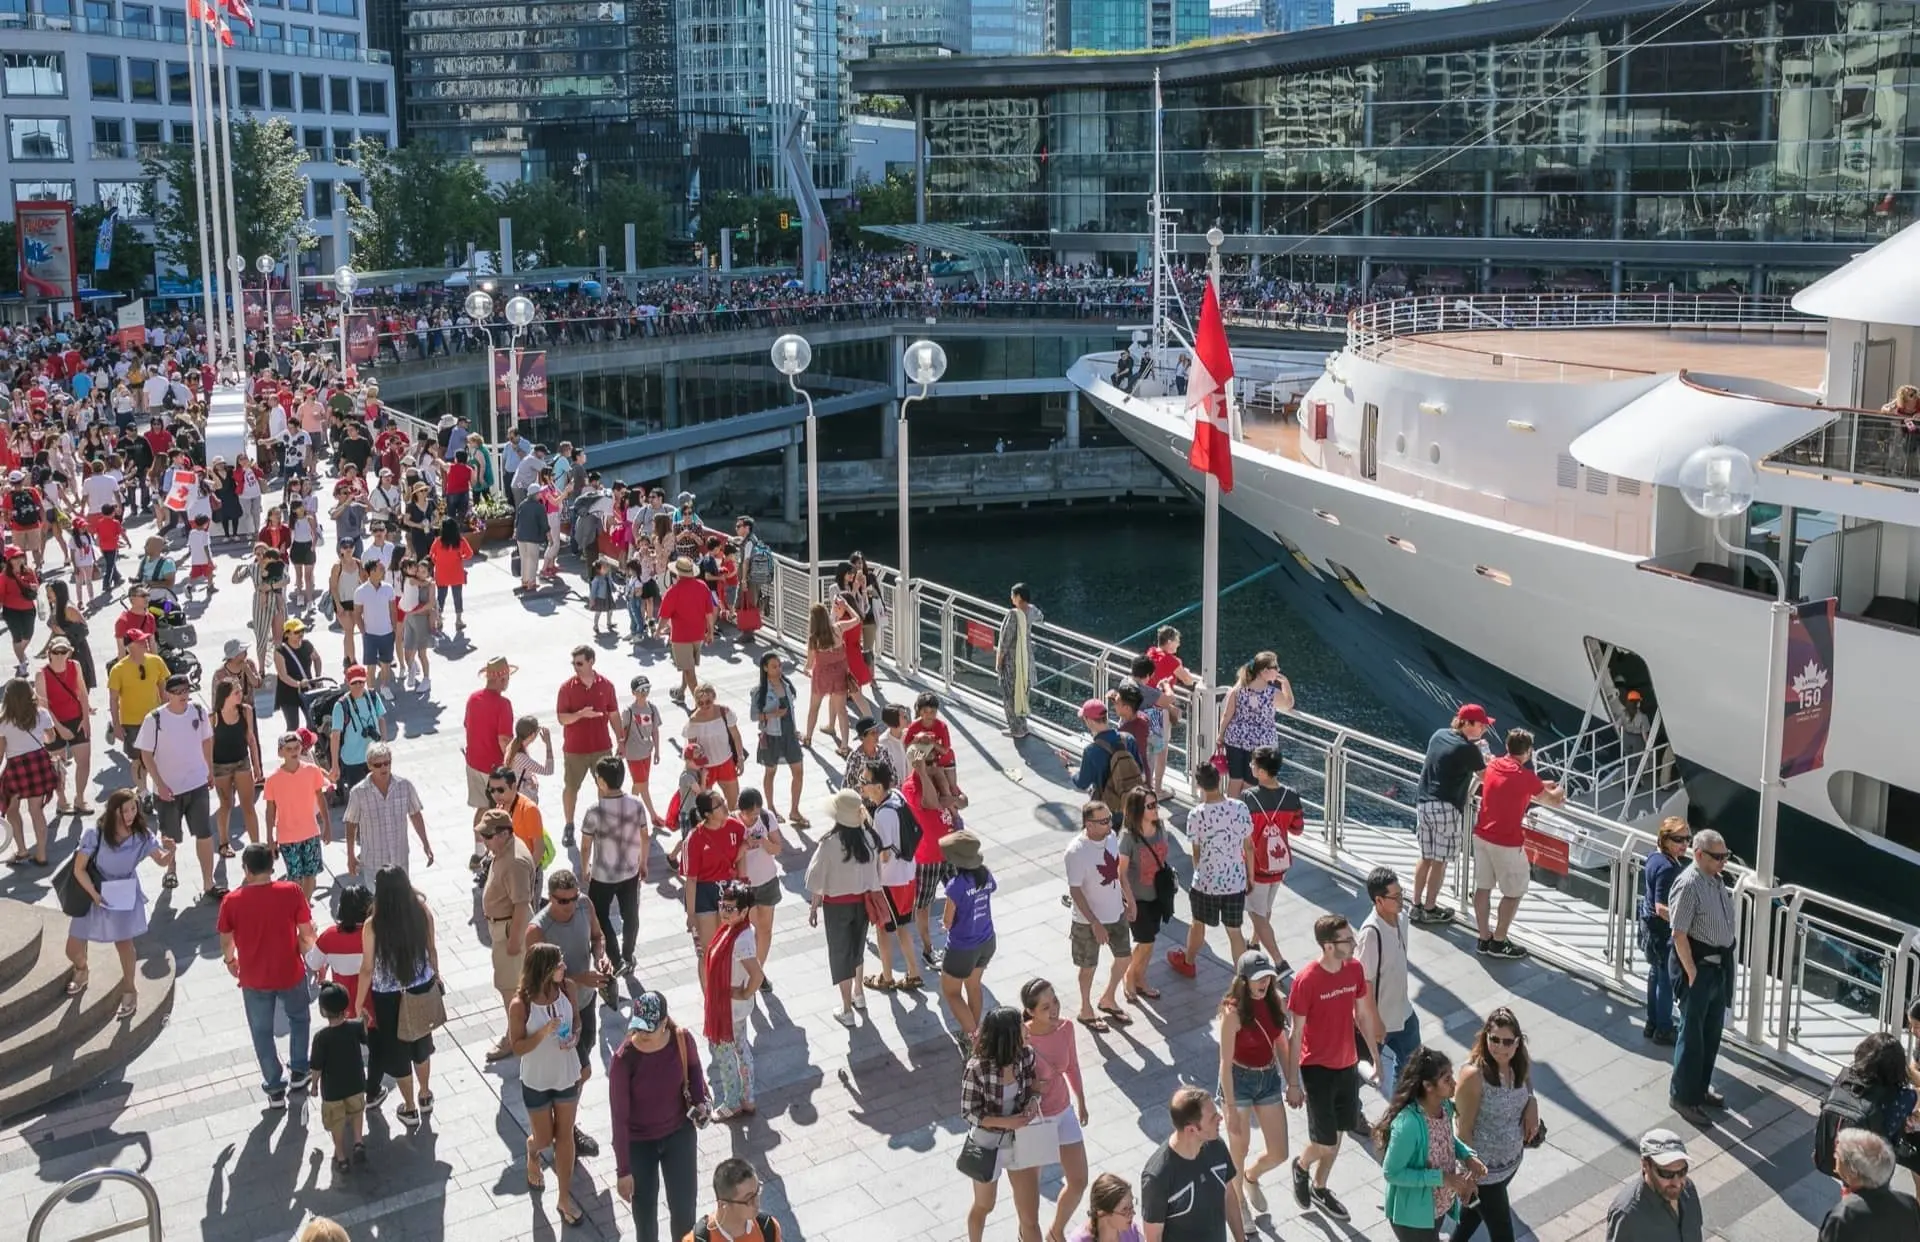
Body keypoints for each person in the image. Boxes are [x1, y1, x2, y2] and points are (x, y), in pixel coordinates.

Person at [1287, 914, 1378, 1222]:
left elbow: (1362, 1015)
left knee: (1339, 1131)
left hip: (1348, 1064)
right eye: (1346, 940)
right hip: (1317, 1069)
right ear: (1328, 946)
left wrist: (1375, 1057)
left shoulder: (1354, 969)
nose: (1353, 943)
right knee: (1324, 1140)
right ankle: (1300, 1166)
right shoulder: (1306, 980)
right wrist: (1293, 1083)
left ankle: (1320, 1187)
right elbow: (1295, 1033)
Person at [218, 843, 317, 1107]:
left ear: (246, 870)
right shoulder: (292, 892)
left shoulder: (232, 900)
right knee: (299, 1019)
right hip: (290, 971)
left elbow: (226, 939)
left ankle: (274, 1086)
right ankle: (299, 1069)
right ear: (273, 868)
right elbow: (307, 931)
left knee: (261, 1032)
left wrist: (230, 961)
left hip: (253, 977)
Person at [64, 789, 173, 1019]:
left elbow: (161, 861)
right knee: (72, 948)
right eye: (126, 810)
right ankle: (81, 968)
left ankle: (130, 989)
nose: (131, 814)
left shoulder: (142, 835)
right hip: (93, 890)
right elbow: (79, 869)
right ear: (114, 811)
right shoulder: (95, 834)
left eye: (134, 808)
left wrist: (171, 851)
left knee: (125, 945)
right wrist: (94, 894)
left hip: (122, 892)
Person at [611, 991, 709, 1242]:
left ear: (664, 1023)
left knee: (684, 1213)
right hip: (639, 1144)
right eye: (637, 1028)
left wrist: (700, 1100)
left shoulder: (681, 1039)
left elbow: (695, 1069)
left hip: (679, 1135)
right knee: (645, 1220)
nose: (640, 1035)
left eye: (648, 1030)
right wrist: (623, 1170)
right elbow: (619, 1119)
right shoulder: (624, 1058)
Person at [353, 865, 439, 1128]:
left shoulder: (373, 924)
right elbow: (431, 949)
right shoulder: (422, 912)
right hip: (421, 987)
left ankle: (410, 1107)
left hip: (388, 995)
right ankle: (425, 1095)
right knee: (422, 1044)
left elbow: (367, 968)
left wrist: (358, 1002)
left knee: (399, 1050)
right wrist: (436, 976)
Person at [1470, 728, 1566, 960]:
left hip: (1481, 836)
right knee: (1514, 892)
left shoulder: (1493, 765)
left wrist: (1539, 784)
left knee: (1483, 888)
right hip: (1507, 842)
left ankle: (1484, 938)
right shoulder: (1525, 778)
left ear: (1507, 746)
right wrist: (1560, 789)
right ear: (1529, 752)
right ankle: (1499, 941)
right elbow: (1552, 801)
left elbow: (1510, 783)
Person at [1216, 951, 1300, 1213]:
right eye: (1258, 978)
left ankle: (1252, 1176)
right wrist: (1229, 1108)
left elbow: (1282, 1044)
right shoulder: (1233, 1013)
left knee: (1280, 1152)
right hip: (1238, 1080)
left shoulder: (1274, 1001)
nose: (1264, 982)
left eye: (1268, 977)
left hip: (1267, 1078)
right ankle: (1239, 1204)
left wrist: (1293, 1083)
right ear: (1244, 980)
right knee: (1239, 1148)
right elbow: (1224, 1063)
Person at [509, 942, 585, 1226]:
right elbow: (516, 1046)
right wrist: (544, 1032)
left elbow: (576, 1020)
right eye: (559, 964)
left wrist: (574, 1036)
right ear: (544, 970)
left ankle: (564, 1198)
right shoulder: (521, 1004)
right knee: (544, 1139)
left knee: (564, 1136)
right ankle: (532, 1152)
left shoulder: (567, 988)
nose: (564, 967)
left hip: (566, 1073)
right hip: (537, 1079)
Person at [1375, 1047, 1485, 1242]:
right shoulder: (1408, 1124)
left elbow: (1446, 1139)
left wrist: (1468, 1156)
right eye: (1447, 1079)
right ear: (1428, 1086)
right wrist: (1442, 1178)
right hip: (1413, 1220)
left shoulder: (1444, 1107)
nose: (1455, 1083)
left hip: (1437, 1209)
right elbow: (1391, 1173)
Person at [1451, 1008, 1541, 1242]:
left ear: (1518, 1043)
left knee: (1471, 1218)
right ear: (1485, 1038)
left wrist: (1532, 1101)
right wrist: (1470, 1175)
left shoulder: (1518, 1061)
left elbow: (1527, 1081)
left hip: (1510, 1165)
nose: (1500, 1047)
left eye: (1508, 1041)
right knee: (1503, 1235)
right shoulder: (1473, 1075)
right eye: (1494, 1040)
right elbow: (1463, 1129)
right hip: (1484, 1174)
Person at [1667, 828, 1736, 1127]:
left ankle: (1700, 1088)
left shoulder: (1715, 881)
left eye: (1725, 856)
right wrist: (1692, 973)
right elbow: (1678, 932)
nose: (1723, 862)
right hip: (1699, 970)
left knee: (1711, 1033)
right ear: (1699, 855)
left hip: (1717, 968)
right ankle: (1683, 1096)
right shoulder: (1689, 884)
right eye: (1718, 857)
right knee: (1692, 1037)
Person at [960, 1005, 1045, 1242]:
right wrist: (1006, 1122)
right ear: (1008, 1034)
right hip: (987, 1145)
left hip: (1020, 1142)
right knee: (984, 1205)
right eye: (1021, 1024)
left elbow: (1034, 1088)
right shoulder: (977, 1068)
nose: (1027, 1028)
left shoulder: (1026, 1056)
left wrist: (1033, 1101)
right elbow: (969, 1112)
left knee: (1030, 1217)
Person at [804, 788, 883, 1026]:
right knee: (857, 949)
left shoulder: (830, 843)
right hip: (863, 903)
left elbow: (814, 878)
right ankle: (859, 993)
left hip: (837, 906)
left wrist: (815, 905)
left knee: (840, 954)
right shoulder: (870, 839)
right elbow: (877, 874)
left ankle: (846, 1008)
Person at [137, 672, 220, 901]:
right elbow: (146, 754)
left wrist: (209, 770)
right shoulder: (155, 719)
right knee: (170, 836)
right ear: (168, 695)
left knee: (204, 833)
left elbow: (206, 740)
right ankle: (171, 869)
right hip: (169, 790)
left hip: (197, 782)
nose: (184, 695)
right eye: (179, 692)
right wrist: (160, 784)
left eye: (187, 691)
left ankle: (208, 881)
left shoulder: (199, 711)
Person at [1019, 979, 1090, 1242]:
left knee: (1079, 1179)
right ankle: (1026, 1231)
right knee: (1030, 1191)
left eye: (1055, 1001)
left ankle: (1055, 1230)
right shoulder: (1021, 1037)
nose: (1054, 1010)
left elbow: (1072, 1066)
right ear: (1031, 1012)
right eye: (1046, 1006)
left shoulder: (1066, 1027)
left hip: (1063, 1110)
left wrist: (1081, 1099)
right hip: (1035, 1121)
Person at [1166, 763, 1251, 979]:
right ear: (1220, 780)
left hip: (1206, 881)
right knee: (1235, 931)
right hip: (1235, 880)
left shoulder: (1196, 814)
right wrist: (1249, 875)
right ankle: (1242, 978)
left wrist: (1199, 871)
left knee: (1198, 923)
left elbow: (1196, 849)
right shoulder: (1240, 808)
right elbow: (1248, 846)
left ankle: (1188, 961)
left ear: (1199, 785)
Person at [1411, 705, 1492, 925]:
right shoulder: (1469, 750)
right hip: (1446, 807)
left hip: (1424, 802)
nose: (1484, 729)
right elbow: (1486, 776)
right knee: (1440, 861)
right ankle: (1430, 908)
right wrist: (1484, 754)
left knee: (1425, 857)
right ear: (1466, 723)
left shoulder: (1439, 735)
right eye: (1481, 725)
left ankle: (1415, 904)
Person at [1064, 799, 1135, 1031]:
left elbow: (1117, 873)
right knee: (1088, 967)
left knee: (1125, 957)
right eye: (1104, 821)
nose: (1110, 825)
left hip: (1115, 912)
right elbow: (1075, 890)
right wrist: (1095, 923)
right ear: (1089, 824)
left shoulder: (1112, 838)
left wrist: (1129, 899)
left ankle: (1108, 998)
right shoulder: (1076, 852)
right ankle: (1085, 1009)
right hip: (1087, 921)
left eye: (1110, 819)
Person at [1140, 1086, 1244, 1242]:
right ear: (1191, 1130)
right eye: (1212, 1117)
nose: (1220, 1118)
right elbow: (1153, 1236)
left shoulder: (1216, 1146)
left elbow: (1228, 1195)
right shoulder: (1158, 1176)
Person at [581, 754, 648, 983]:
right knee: (630, 914)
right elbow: (645, 836)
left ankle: (616, 959)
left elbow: (585, 845)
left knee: (599, 915)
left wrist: (584, 867)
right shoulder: (637, 805)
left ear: (601, 781)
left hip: (602, 875)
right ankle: (628, 956)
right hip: (630, 871)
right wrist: (644, 863)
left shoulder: (594, 811)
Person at [480, 806, 540, 1063]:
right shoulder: (503, 850)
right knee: (512, 987)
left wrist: (514, 940)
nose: (484, 840)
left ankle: (514, 1036)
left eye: (488, 835)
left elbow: (520, 904)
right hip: (503, 928)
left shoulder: (514, 861)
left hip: (509, 930)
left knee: (509, 988)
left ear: (504, 833)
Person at [1239, 746, 1302, 976]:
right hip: (1279, 864)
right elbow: (1297, 829)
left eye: (1254, 765)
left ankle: (1279, 961)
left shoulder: (1249, 797)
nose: (1250, 767)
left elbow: (1243, 834)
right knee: (1265, 909)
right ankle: (1255, 943)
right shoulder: (1292, 796)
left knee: (1256, 912)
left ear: (1263, 771)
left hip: (1256, 866)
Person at [703, 880, 763, 1121]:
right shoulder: (738, 930)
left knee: (725, 1054)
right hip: (733, 1008)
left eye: (730, 909)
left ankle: (732, 1102)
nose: (724, 912)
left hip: (729, 1008)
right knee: (741, 1048)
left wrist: (744, 992)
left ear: (744, 911)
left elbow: (757, 974)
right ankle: (748, 1098)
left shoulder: (741, 939)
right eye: (723, 906)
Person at [1355, 865, 1416, 1093]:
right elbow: (1365, 984)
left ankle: (1403, 1109)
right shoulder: (1370, 934)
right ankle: (1350, 1110)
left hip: (1404, 1012)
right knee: (1364, 1070)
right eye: (1395, 896)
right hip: (1379, 1021)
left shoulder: (1402, 919)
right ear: (1378, 901)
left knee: (1413, 1068)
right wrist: (1376, 1021)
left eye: (1401, 893)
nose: (1401, 900)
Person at [861, 762, 919, 992]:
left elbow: (883, 855)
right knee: (903, 926)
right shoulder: (896, 796)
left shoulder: (883, 815)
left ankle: (886, 976)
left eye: (865, 782)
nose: (862, 786)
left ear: (876, 787)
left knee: (883, 929)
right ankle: (914, 973)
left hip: (890, 881)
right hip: (908, 874)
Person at [557, 644, 622, 842]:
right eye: (574, 663)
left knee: (606, 787)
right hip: (575, 750)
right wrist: (580, 715)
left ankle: (605, 823)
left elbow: (613, 714)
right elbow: (562, 718)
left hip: (602, 747)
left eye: (579, 663)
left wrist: (621, 739)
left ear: (591, 662)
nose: (575, 667)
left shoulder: (606, 686)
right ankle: (569, 825)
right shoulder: (566, 688)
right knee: (571, 787)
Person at [342, 742, 431, 882]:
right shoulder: (358, 793)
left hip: (400, 860)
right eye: (378, 765)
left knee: (401, 903)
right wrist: (351, 856)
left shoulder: (405, 786)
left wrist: (425, 843)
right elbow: (351, 824)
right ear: (369, 765)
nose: (383, 767)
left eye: (386, 763)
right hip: (374, 864)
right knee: (378, 902)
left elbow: (415, 814)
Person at [939, 830, 997, 1042]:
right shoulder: (986, 875)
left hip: (962, 948)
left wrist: (944, 926)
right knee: (973, 986)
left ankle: (975, 1040)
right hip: (987, 941)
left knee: (951, 992)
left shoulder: (955, 885)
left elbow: (947, 921)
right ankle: (973, 1031)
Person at [1116, 787, 1171, 1004]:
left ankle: (1141, 978)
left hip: (1158, 895)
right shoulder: (1128, 837)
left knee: (1150, 940)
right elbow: (1121, 873)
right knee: (1145, 941)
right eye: (1150, 806)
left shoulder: (1160, 827)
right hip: (1136, 897)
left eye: (1156, 804)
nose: (1155, 809)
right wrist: (1129, 901)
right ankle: (1129, 976)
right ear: (1138, 809)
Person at [309, 982, 370, 1173]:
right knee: (357, 1111)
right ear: (346, 1006)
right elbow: (364, 1035)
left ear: (323, 1011)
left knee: (337, 1122)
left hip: (333, 1090)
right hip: (356, 1083)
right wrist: (364, 1021)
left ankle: (342, 1157)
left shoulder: (321, 1037)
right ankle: (358, 1142)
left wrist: (314, 1085)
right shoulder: (354, 1027)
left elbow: (317, 1066)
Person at [263, 731, 332, 897]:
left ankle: (305, 908)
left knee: (311, 874)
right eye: (289, 749)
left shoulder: (312, 771)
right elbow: (270, 810)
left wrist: (327, 825)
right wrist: (270, 839)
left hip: (311, 832)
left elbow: (320, 798)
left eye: (296, 747)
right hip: (287, 836)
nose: (294, 752)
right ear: (281, 752)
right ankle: (297, 907)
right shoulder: (273, 779)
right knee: (295, 877)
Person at [1640, 817, 1690, 1046]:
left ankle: (1652, 1022)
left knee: (1654, 974)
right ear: (1665, 839)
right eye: (1678, 839)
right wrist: (1683, 920)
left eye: (1687, 838)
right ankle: (1664, 1027)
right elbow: (1661, 907)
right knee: (1665, 980)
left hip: (1648, 927)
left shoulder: (1653, 857)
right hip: (1660, 931)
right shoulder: (1669, 868)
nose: (1684, 844)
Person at [1214, 653, 1292, 799]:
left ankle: (1232, 813)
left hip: (1235, 739)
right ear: (1264, 671)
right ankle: (1244, 814)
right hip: (1259, 744)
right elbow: (1289, 704)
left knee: (1235, 779)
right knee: (1250, 783)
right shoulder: (1272, 693)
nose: (1278, 670)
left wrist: (1220, 735)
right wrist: (1285, 683)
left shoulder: (1238, 690)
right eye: (1275, 667)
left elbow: (1227, 715)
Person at [1820, 1132, 1920, 1242]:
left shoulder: (1843, 1217)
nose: (1834, 1160)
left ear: (1853, 1171)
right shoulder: (1908, 1203)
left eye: (1837, 1156)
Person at [1605, 1129, 1703, 1242]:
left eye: (1682, 1171)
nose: (1676, 1183)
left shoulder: (1688, 1189)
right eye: (1666, 1174)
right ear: (1645, 1165)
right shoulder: (1627, 1214)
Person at [0, 676, 56, 868]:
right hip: (39, 762)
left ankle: (22, 850)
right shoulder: (41, 714)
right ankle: (41, 855)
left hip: (16, 767)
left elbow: (0, 753)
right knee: (36, 811)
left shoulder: (3, 722)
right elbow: (51, 738)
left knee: (12, 809)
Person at [465, 655, 516, 863]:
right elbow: (504, 740)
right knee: (499, 811)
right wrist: (511, 764)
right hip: (493, 768)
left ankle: (478, 853)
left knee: (481, 808)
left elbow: (468, 726)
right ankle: (496, 854)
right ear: (501, 679)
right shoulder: (503, 704)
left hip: (473, 762)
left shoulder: (472, 698)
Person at [684, 791, 747, 957]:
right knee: (707, 951)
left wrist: (744, 887)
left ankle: (722, 983)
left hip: (728, 889)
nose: (725, 806)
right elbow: (691, 880)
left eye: (723, 801)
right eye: (718, 805)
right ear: (707, 814)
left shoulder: (736, 827)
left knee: (726, 946)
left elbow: (740, 860)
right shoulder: (695, 838)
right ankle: (708, 984)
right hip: (704, 892)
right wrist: (691, 915)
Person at [1055, 700, 1144, 816]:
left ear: (1089, 721)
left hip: (1108, 810)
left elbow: (1082, 783)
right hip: (1133, 806)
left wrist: (1068, 766)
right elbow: (1139, 769)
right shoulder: (1129, 739)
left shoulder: (1091, 751)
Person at [749, 651, 806, 825]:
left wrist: (795, 729)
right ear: (765, 668)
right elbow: (754, 716)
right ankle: (771, 808)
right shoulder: (760, 691)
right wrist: (773, 714)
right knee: (771, 772)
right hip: (772, 736)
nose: (778, 669)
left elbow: (791, 711)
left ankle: (794, 810)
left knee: (798, 771)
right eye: (774, 666)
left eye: (779, 665)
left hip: (789, 734)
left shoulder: (786, 685)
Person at [40, 634, 94, 817]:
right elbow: (43, 706)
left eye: (65, 651)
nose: (61, 655)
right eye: (57, 651)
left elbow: (83, 694)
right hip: (53, 724)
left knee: (84, 762)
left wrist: (85, 718)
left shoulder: (75, 666)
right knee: (58, 766)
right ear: (50, 653)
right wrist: (59, 728)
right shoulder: (42, 674)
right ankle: (62, 801)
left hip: (76, 719)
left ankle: (80, 798)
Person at [208, 679, 262, 856]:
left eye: (240, 691)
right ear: (226, 696)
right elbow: (209, 746)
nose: (240, 695)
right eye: (236, 693)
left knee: (248, 805)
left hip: (241, 761)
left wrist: (256, 766)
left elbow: (251, 739)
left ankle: (257, 846)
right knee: (226, 804)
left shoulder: (246, 711)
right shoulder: (214, 717)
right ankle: (224, 843)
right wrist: (208, 771)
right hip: (220, 765)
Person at [658, 557, 717, 706]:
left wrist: (658, 631)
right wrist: (710, 632)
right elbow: (709, 613)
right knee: (688, 666)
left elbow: (664, 616)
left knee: (689, 671)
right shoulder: (702, 586)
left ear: (676, 573)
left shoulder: (673, 591)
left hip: (681, 637)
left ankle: (700, 704)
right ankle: (681, 692)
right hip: (698, 635)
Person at [689, 1157, 781, 1242]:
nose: (756, 1202)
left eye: (758, 1191)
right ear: (723, 1205)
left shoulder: (768, 1228)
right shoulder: (698, 1239)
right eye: (749, 1198)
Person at [327, 665, 388, 791]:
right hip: (353, 761)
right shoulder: (341, 705)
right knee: (359, 798)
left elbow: (381, 719)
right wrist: (335, 765)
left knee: (380, 792)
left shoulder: (372, 696)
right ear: (348, 683)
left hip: (375, 757)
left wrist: (384, 745)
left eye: (361, 681)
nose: (359, 685)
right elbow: (335, 735)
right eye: (354, 682)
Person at [995, 583, 1042, 738]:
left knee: (1010, 695)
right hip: (1027, 659)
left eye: (1013, 595)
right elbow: (1041, 618)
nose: (1011, 598)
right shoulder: (1032, 611)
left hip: (1013, 661)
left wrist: (999, 661)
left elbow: (1005, 641)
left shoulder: (1013, 614)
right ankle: (1023, 726)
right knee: (1022, 694)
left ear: (1018, 597)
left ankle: (1016, 729)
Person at [1071, 1174, 1141, 1242]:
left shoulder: (1131, 1232)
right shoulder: (1078, 1240)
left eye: (1131, 1205)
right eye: (1124, 1209)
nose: (1133, 1213)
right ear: (1102, 1212)